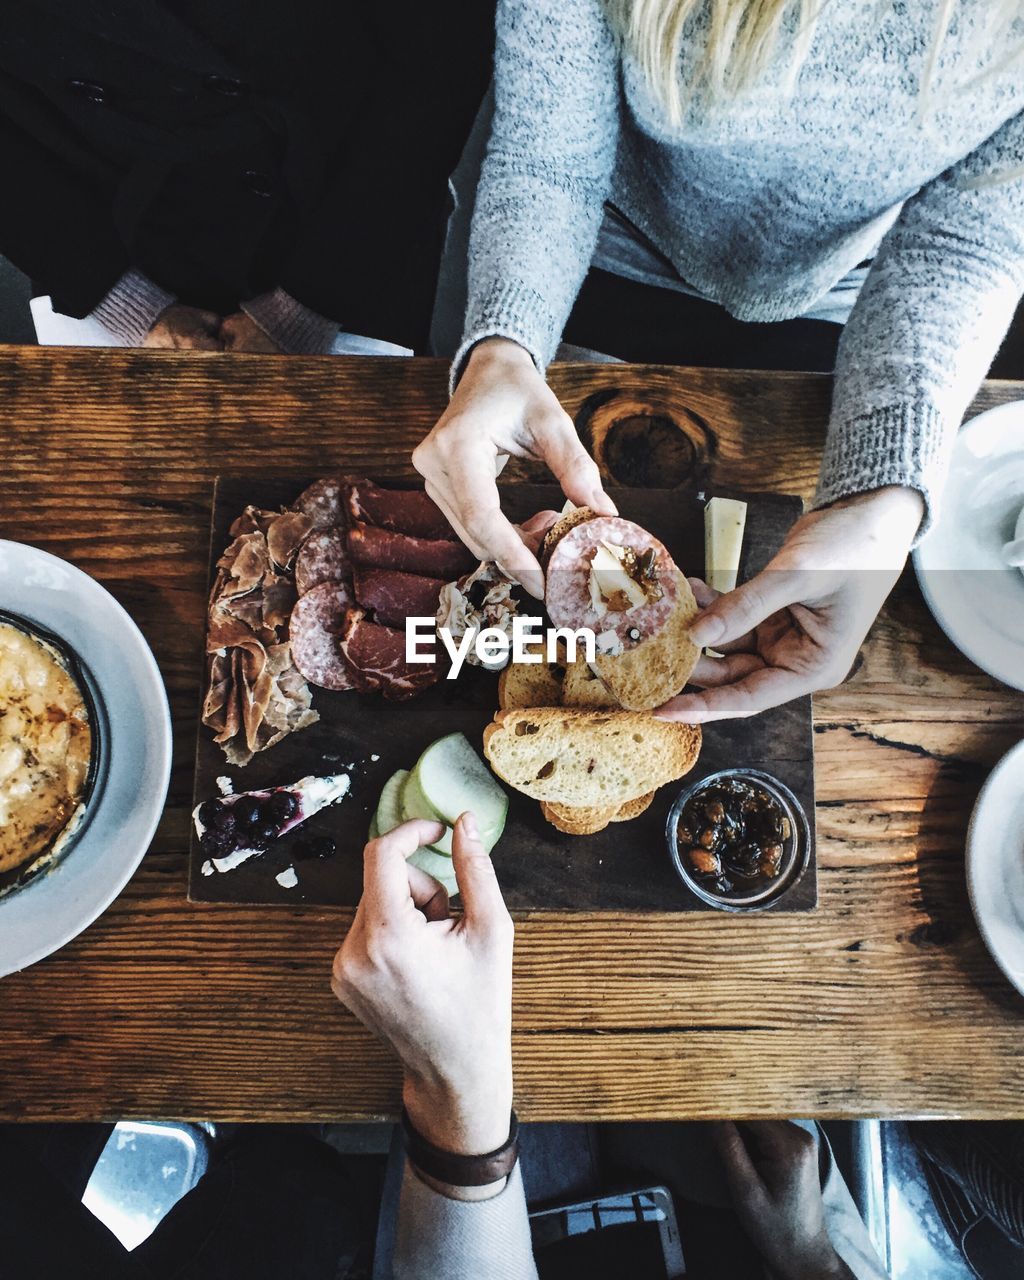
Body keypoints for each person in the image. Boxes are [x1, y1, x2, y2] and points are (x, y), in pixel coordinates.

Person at [413, 0, 1024, 721]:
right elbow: (547, 155)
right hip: (585, 235)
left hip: (856, 295)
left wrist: (882, 503)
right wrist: (502, 343)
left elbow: (966, 241)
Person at [0, 1, 493, 355]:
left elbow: (437, 65)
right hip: (89, 229)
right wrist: (123, 299)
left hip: (348, 218)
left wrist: (309, 305)